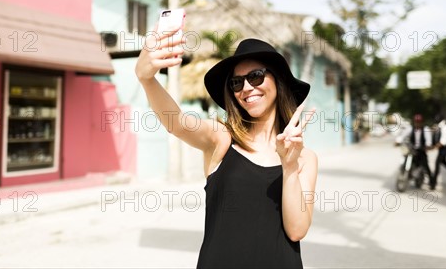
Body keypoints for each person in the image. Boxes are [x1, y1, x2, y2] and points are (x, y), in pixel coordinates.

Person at [135, 31, 318, 269]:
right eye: (236, 82)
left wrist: (290, 166)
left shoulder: (305, 158)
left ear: (278, 80)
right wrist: (147, 79)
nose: (246, 88)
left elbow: (296, 231)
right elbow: (177, 123)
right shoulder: (221, 139)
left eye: (256, 76)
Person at [408, 114, 433, 187]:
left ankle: (432, 182)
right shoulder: (410, 129)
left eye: (419, 122)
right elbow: (403, 136)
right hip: (413, 150)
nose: (417, 124)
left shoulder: (425, 129)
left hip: (422, 150)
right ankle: (409, 175)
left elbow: (428, 141)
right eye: (416, 122)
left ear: (422, 122)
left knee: (426, 166)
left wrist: (427, 146)